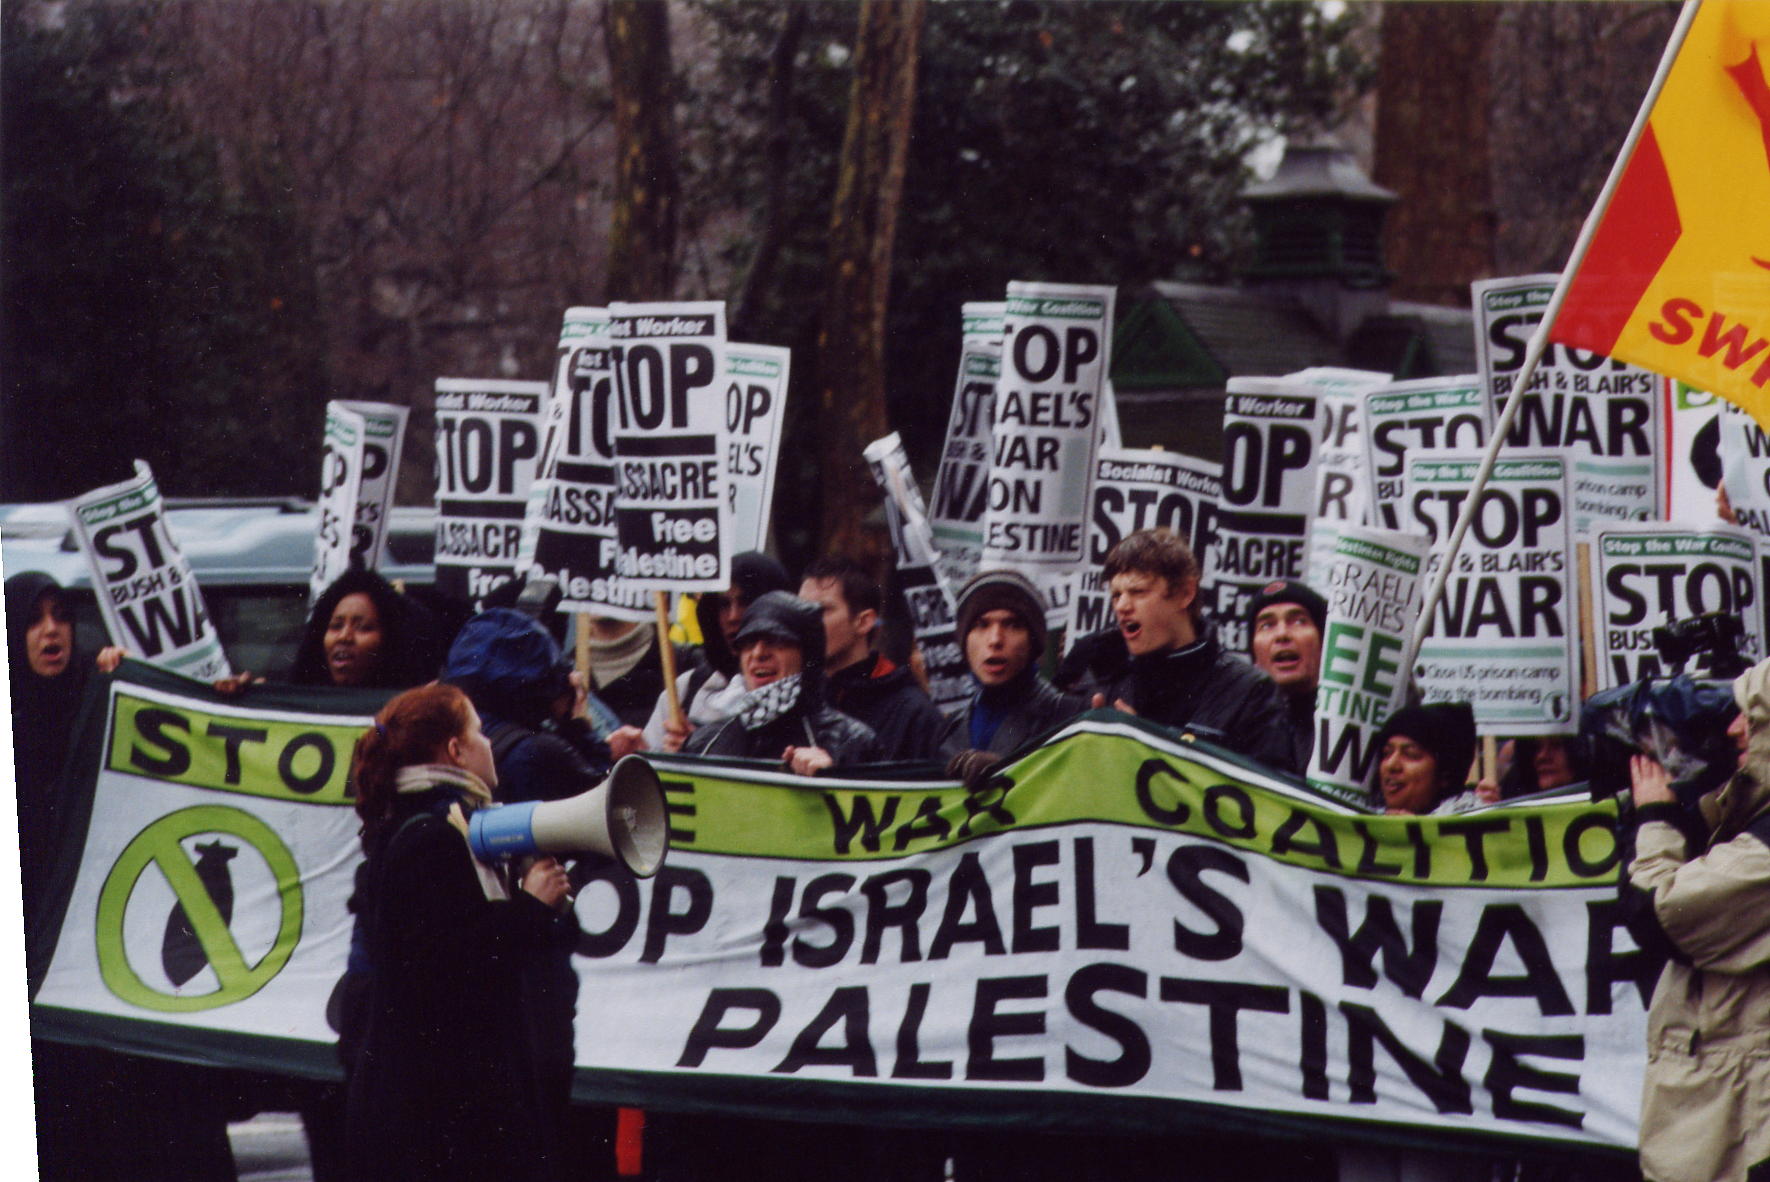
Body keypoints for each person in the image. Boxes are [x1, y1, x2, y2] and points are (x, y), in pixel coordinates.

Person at [7, 572, 235, 1181]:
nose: (51, 630)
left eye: (61, 615)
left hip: (114, 965)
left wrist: (143, 691)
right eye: (33, 619)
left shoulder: (104, 697)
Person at [343, 683, 575, 1182]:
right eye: (478, 732)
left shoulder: (441, 827)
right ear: (455, 750)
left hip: (437, 1103)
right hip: (440, 1110)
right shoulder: (431, 835)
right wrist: (532, 909)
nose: (488, 742)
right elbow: (443, 967)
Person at [1624, 656, 1770, 1182]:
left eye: (1752, 720)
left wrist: (1655, 819)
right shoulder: (1749, 823)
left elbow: (1660, 915)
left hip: (1741, 1125)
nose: (1732, 730)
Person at [1090, 529, 1297, 772]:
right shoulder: (1109, 686)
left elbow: (1269, 796)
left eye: (1138, 592)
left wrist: (1152, 745)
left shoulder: (1250, 691)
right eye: (1116, 595)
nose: (1123, 606)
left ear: (1185, 593)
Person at [682, 591, 879, 773]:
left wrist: (833, 778)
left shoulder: (850, 741)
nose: (758, 654)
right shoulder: (703, 742)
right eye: (748, 643)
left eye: (776, 641)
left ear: (806, 655)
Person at [939, 569, 1087, 783]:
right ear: (964, 640)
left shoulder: (1069, 717)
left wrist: (1009, 774)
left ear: (1033, 642)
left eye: (1012, 625)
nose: (995, 639)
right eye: (981, 625)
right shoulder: (950, 728)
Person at [641, 551, 792, 752]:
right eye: (723, 605)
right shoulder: (686, 690)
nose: (733, 616)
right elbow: (646, 770)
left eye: (746, 602)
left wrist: (699, 748)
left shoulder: (796, 691)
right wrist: (637, 752)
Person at [801, 556, 948, 762]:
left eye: (821, 610)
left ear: (863, 622)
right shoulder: (798, 701)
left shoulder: (914, 715)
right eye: (799, 609)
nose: (805, 621)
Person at [1246, 578, 1326, 770]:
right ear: (1254, 653)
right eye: (1267, 625)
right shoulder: (1239, 727)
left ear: (1323, 642)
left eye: (1299, 621)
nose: (1282, 634)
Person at [1373, 703, 1480, 815]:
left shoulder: (1478, 824)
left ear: (1445, 774)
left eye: (1411, 754)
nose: (1391, 765)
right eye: (1387, 753)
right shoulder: (1364, 818)